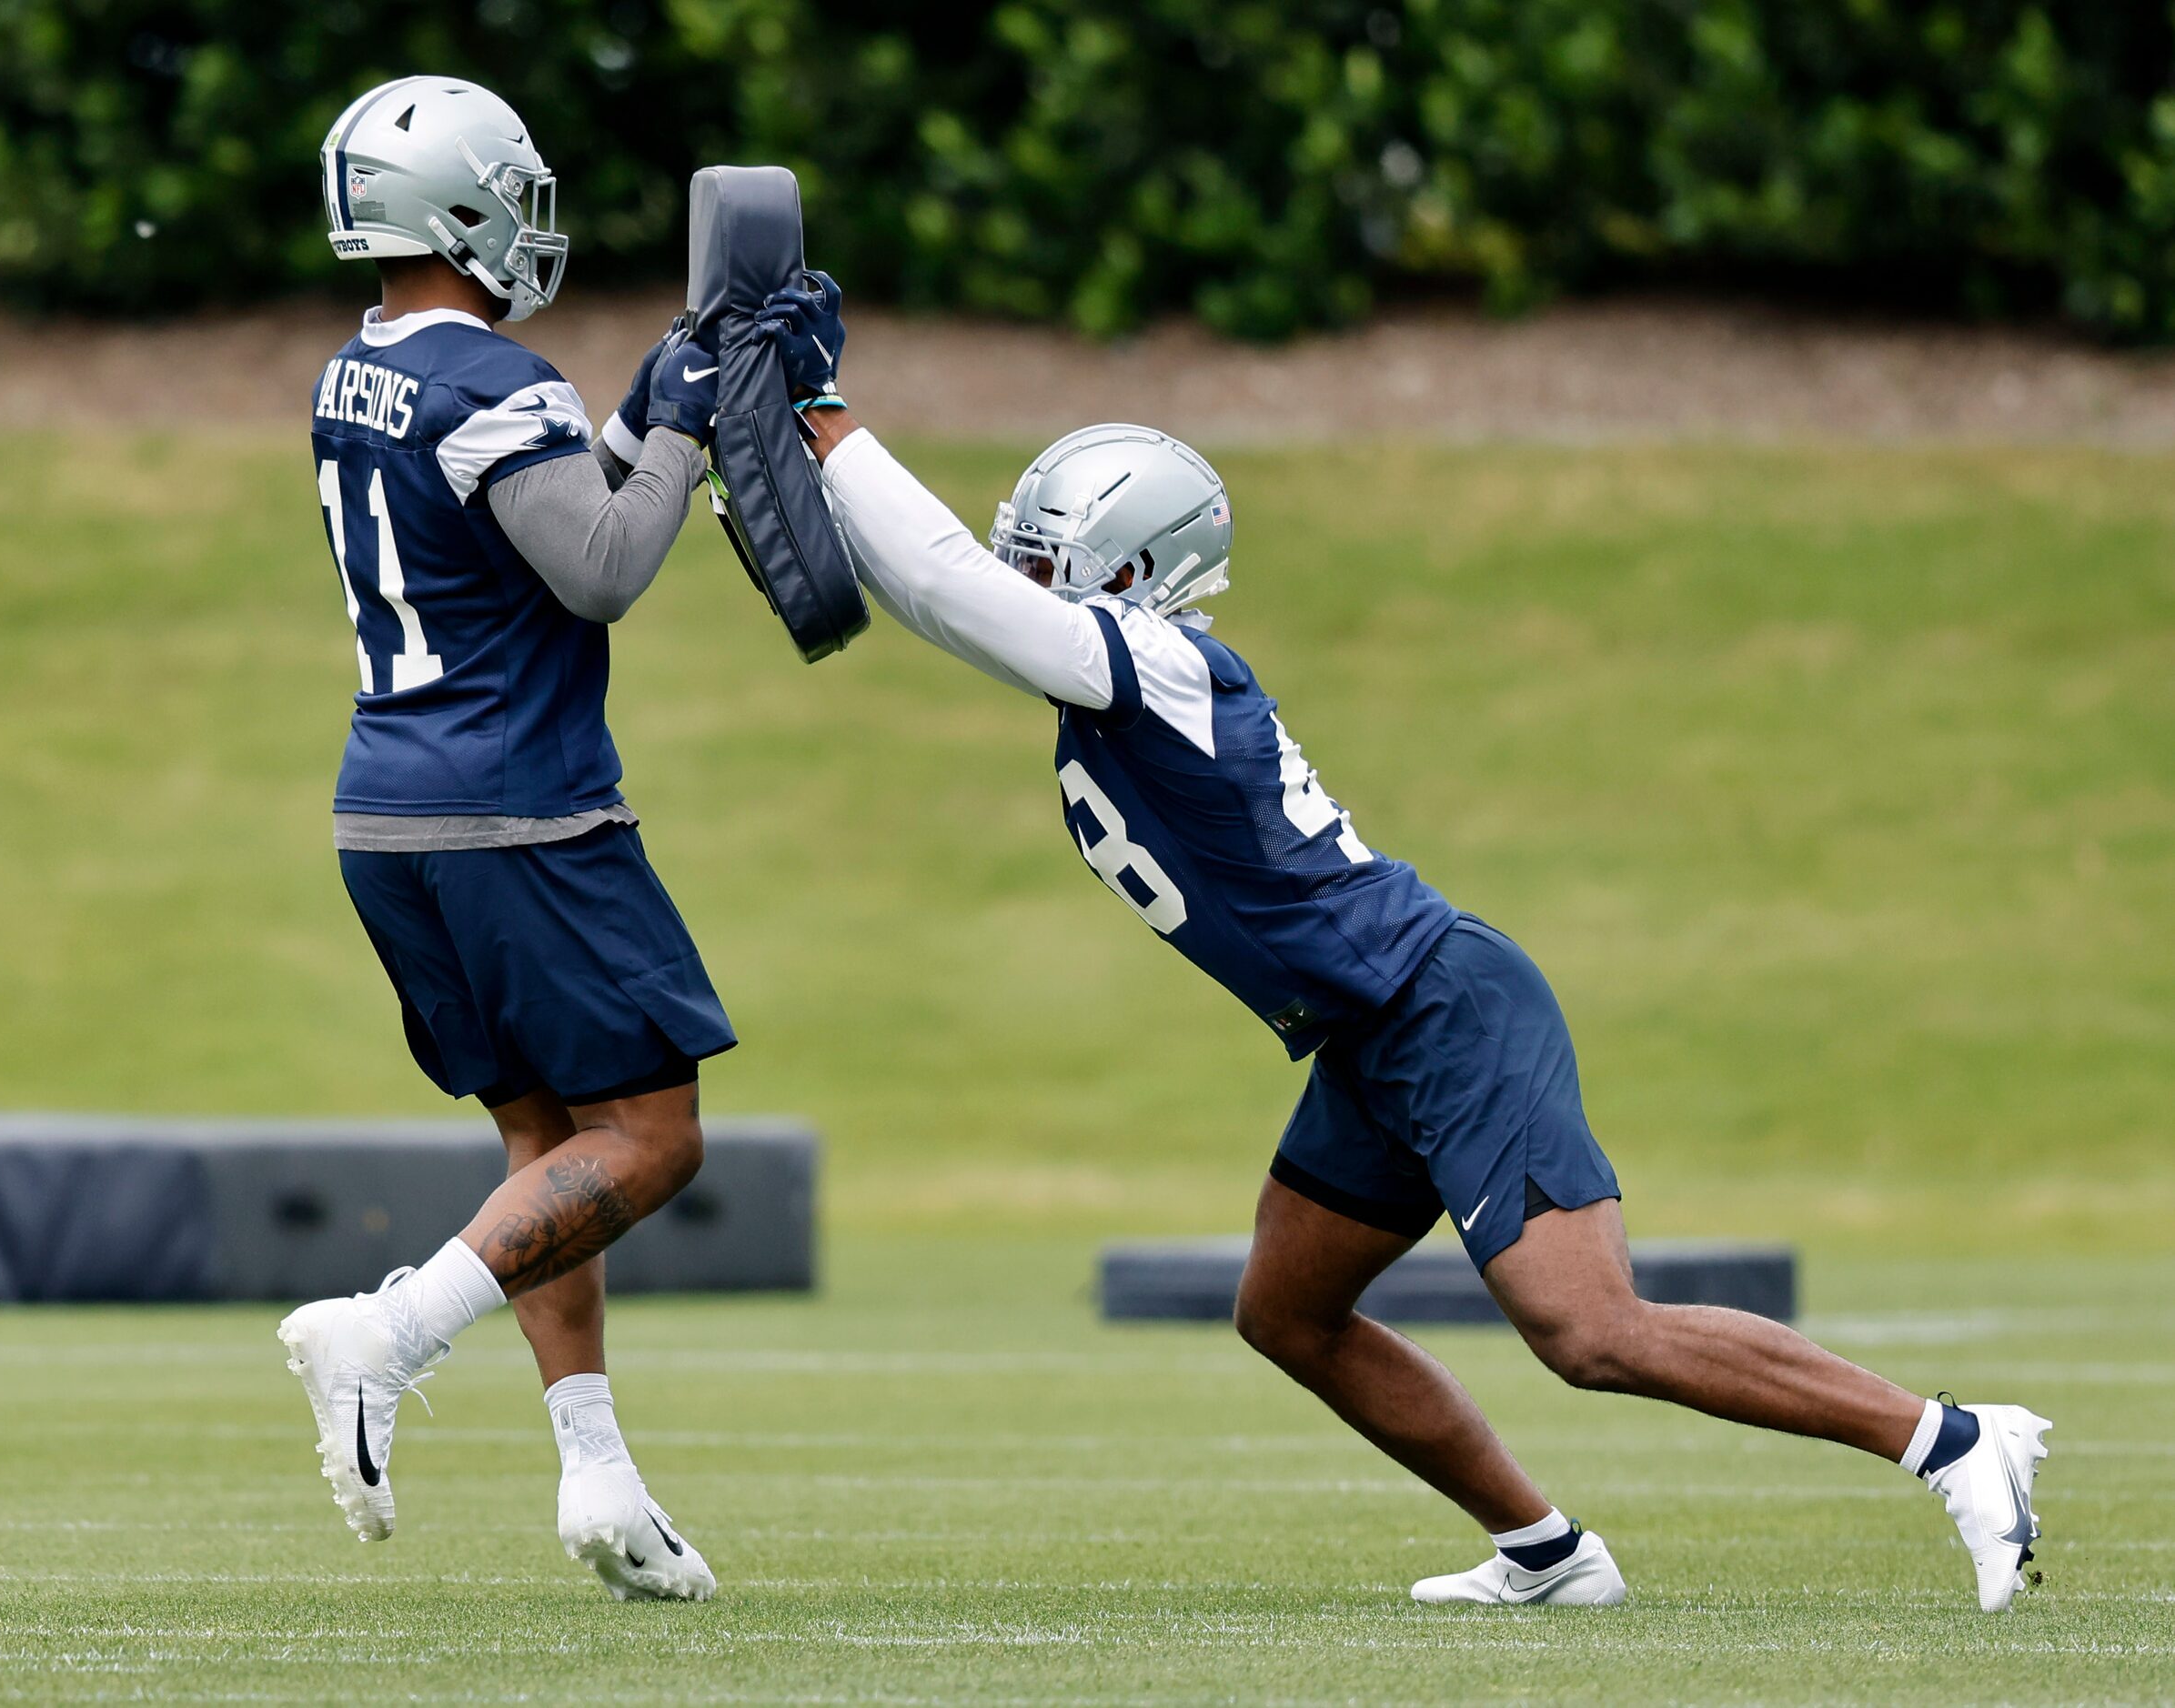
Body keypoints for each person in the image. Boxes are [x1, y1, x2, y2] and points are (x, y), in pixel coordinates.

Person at [756, 275, 2052, 1612]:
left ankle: (1953, 1439)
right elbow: (931, 595)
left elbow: (946, 585)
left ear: (1128, 571)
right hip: (1367, 1034)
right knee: (1288, 1312)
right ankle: (1549, 1553)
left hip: (1442, 1005)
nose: (1015, 569)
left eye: (1042, 551)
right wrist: (789, 436)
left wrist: (830, 414)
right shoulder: (1112, 681)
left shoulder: (1167, 667)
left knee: (1591, 1330)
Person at [283, 75, 732, 1602]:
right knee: (652, 1136)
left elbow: (520, 512)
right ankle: (388, 1332)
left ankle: (599, 1476)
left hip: (389, 815)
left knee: (546, 1143)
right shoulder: (495, 377)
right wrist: (681, 432)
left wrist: (641, 410)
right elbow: (599, 567)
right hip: (519, 812)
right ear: (461, 207)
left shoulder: (363, 367)